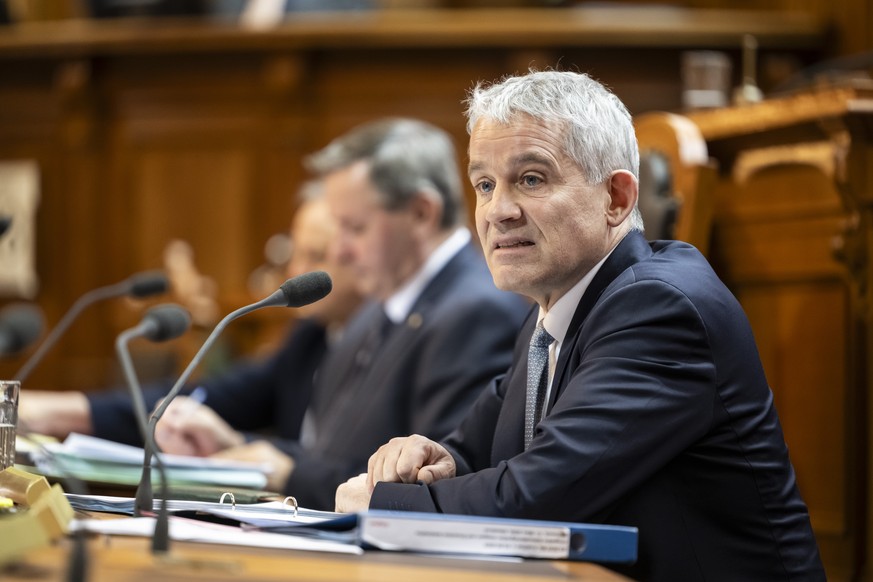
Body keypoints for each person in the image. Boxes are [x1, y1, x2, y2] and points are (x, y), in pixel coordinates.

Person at [334, 71, 826, 580]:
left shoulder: (660, 309)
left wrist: (385, 503)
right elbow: (474, 454)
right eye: (485, 184)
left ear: (616, 198)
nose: (498, 211)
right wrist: (424, 460)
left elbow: (535, 500)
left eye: (531, 179)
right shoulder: (551, 311)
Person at [155, 118, 531, 510]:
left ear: (421, 214)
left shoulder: (475, 313)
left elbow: (432, 485)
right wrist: (238, 446)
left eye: (354, 227)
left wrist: (285, 471)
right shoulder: (376, 309)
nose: (340, 251)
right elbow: (328, 455)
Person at [18, 183, 364, 447]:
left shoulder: (382, 344)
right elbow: (210, 398)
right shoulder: (311, 339)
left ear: (360, 252)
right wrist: (58, 412)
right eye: (295, 254)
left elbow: (343, 464)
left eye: (315, 255)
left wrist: (240, 446)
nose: (295, 271)